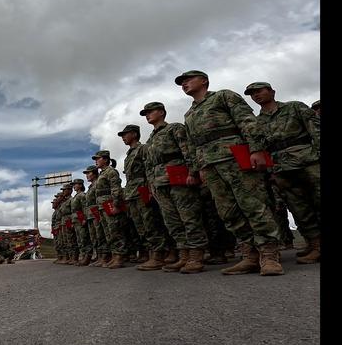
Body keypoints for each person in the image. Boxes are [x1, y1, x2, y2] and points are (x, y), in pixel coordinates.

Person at [177, 70, 282, 276]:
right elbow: (192, 145)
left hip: (235, 156)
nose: (184, 84)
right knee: (228, 212)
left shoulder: (224, 96)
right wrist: (198, 169)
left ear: (204, 81)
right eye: (182, 82)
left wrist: (257, 149)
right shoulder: (189, 114)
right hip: (210, 165)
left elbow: (247, 121)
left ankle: (269, 255)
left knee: (253, 204)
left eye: (188, 80)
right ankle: (250, 255)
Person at [245, 82, 321, 263]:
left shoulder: (295, 107)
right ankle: (316, 245)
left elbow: (316, 131)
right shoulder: (257, 121)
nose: (256, 95)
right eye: (252, 94)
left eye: (259, 91)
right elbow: (259, 148)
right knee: (299, 209)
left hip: (308, 161)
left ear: (272, 91)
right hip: (281, 168)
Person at [140, 102, 209, 274]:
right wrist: (151, 184)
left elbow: (188, 151)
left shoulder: (174, 128)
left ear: (161, 112)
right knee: (172, 221)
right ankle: (184, 255)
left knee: (189, 217)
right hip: (160, 183)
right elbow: (149, 164)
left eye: (150, 112)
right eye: (145, 113)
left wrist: (193, 172)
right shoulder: (150, 139)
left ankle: (196, 255)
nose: (147, 115)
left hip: (178, 178)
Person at [117, 124, 171, 271]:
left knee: (150, 222)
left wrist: (150, 187)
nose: (123, 137)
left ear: (134, 134)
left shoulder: (143, 148)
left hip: (143, 189)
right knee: (141, 226)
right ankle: (152, 253)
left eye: (125, 134)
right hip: (132, 192)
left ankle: (159, 255)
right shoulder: (129, 154)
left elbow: (149, 168)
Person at [92, 150, 130, 268]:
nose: (96, 161)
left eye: (98, 159)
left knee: (115, 231)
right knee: (108, 233)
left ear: (105, 159)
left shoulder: (111, 172)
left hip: (110, 205)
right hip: (102, 207)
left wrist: (116, 205)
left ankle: (119, 257)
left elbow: (116, 189)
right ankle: (114, 256)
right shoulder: (101, 174)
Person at [70, 179, 92, 265]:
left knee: (84, 238)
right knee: (79, 240)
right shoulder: (76, 196)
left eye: (75, 184)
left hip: (80, 219)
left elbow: (84, 207)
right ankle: (83, 256)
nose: (74, 186)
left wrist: (84, 219)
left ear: (80, 185)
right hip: (76, 219)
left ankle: (87, 257)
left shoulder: (82, 195)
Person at [59, 183, 78, 264]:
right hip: (64, 221)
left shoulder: (71, 200)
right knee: (67, 240)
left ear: (70, 190)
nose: (63, 191)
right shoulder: (65, 201)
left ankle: (74, 257)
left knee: (71, 239)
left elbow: (73, 211)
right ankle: (70, 257)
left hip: (69, 220)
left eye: (64, 190)